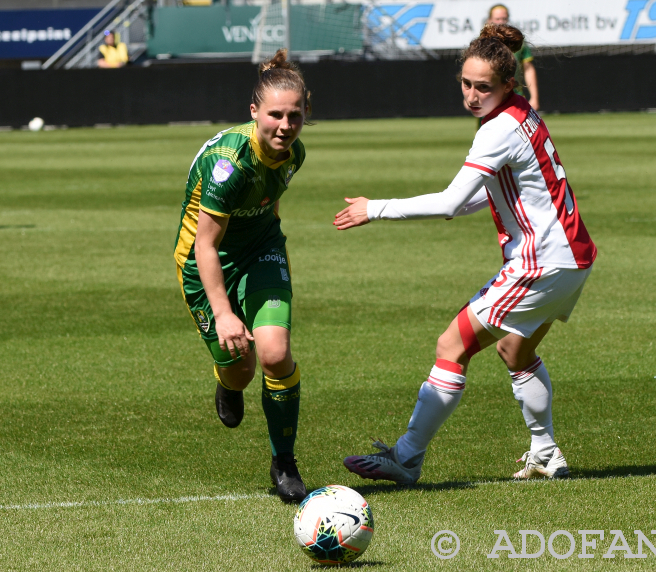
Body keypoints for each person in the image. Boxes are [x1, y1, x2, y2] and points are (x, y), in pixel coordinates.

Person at [334, 24, 595, 484]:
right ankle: (546, 452)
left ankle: (407, 456)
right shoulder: (521, 113)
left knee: (451, 345)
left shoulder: (497, 129)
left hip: (541, 262)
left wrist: (375, 208)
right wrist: (464, 202)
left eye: (483, 87)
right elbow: (497, 193)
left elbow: (453, 201)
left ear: (507, 85)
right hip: (572, 259)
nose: (473, 95)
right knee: (515, 351)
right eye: (466, 84)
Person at [174, 49, 310, 502]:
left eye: (294, 115)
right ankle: (227, 382)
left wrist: (274, 257)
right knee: (241, 370)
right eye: (275, 115)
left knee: (274, 353)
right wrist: (225, 312)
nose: (285, 126)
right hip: (205, 262)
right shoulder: (228, 165)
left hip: (262, 249)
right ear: (254, 112)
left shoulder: (295, 153)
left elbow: (269, 203)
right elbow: (206, 244)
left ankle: (284, 462)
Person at [487, 4, 538, 111]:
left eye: (504, 19)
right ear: (489, 20)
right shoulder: (482, 43)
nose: (501, 22)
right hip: (489, 96)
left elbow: (528, 68)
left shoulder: (518, 42)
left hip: (514, 95)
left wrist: (534, 97)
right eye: (497, 19)